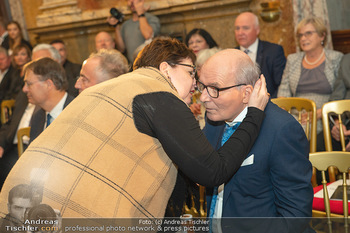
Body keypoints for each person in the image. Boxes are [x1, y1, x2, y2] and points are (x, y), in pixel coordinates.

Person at [0, 38, 269, 220]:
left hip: (21, 202)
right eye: (191, 73)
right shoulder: (159, 93)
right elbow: (213, 171)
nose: (195, 86)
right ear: (165, 69)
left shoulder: (116, 87)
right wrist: (254, 113)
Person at [202, 49, 313, 233]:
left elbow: (295, 215)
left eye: (214, 89)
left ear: (246, 93)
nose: (204, 97)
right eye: (202, 87)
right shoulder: (215, 121)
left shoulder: (281, 130)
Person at [0, 46, 60, 191]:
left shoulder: (56, 96)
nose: (37, 67)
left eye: (43, 62)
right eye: (35, 62)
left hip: (33, 149)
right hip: (12, 145)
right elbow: (10, 122)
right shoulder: (26, 90)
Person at [278, 17, 343, 136]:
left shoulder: (336, 58)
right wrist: (284, 115)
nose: (303, 38)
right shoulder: (293, 60)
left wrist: (318, 113)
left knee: (294, 132)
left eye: (308, 33)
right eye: (300, 35)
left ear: (322, 36)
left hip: (324, 115)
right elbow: (283, 92)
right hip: (295, 115)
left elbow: (340, 93)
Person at [234, 12, 286, 98]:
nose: (240, 33)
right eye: (237, 28)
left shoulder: (274, 51)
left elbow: (282, 85)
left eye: (245, 28)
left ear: (257, 30)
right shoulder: (230, 54)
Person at [23, 57, 74, 143]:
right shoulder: (38, 117)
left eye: (29, 84)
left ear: (48, 84)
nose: (24, 89)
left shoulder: (77, 112)